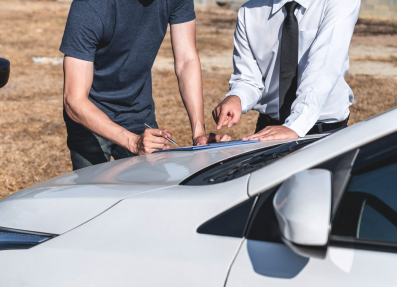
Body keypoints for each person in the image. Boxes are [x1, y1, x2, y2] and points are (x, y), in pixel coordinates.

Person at [60, 0, 224, 170]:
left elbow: (186, 61)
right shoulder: (90, 5)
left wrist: (199, 134)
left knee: (153, 192)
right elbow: (74, 100)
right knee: (93, 193)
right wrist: (133, 142)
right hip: (90, 117)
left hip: (138, 113)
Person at [212, 0, 361, 141]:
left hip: (324, 134)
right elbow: (248, 79)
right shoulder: (249, 12)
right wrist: (237, 97)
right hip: (270, 132)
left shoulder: (339, 2)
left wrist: (295, 126)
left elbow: (323, 67)